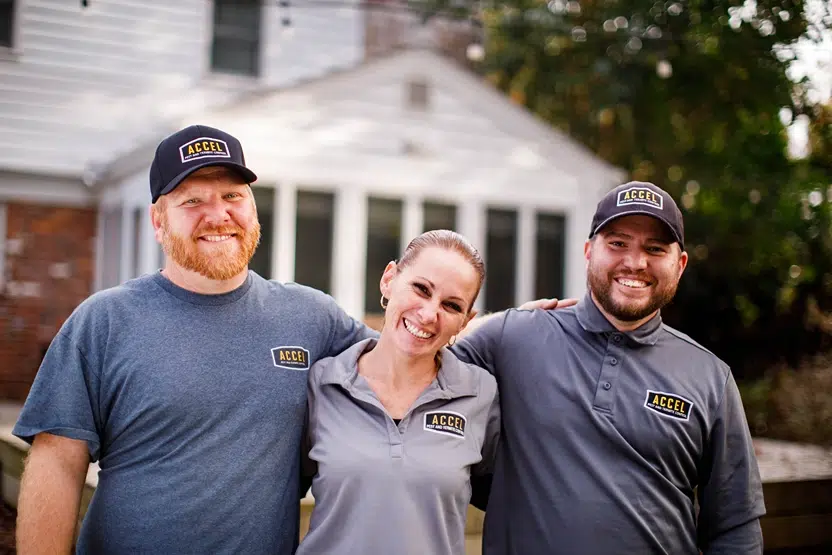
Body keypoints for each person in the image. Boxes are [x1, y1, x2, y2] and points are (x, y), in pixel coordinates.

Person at [12, 124, 373, 554]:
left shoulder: (313, 318)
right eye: (193, 200)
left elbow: (405, 367)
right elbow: (56, 463)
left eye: (233, 196)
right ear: (158, 220)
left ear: (254, 209)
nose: (218, 215)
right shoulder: (105, 321)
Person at [455, 181, 765, 554]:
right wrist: (475, 326)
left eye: (655, 249)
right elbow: (411, 372)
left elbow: (735, 526)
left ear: (680, 265)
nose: (635, 262)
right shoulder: (511, 338)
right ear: (588, 251)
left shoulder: (711, 377)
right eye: (618, 243)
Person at [298, 230, 500, 555]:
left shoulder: (481, 395)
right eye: (421, 289)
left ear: (465, 321)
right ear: (389, 279)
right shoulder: (322, 383)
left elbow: (507, 500)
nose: (428, 314)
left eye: (451, 305)